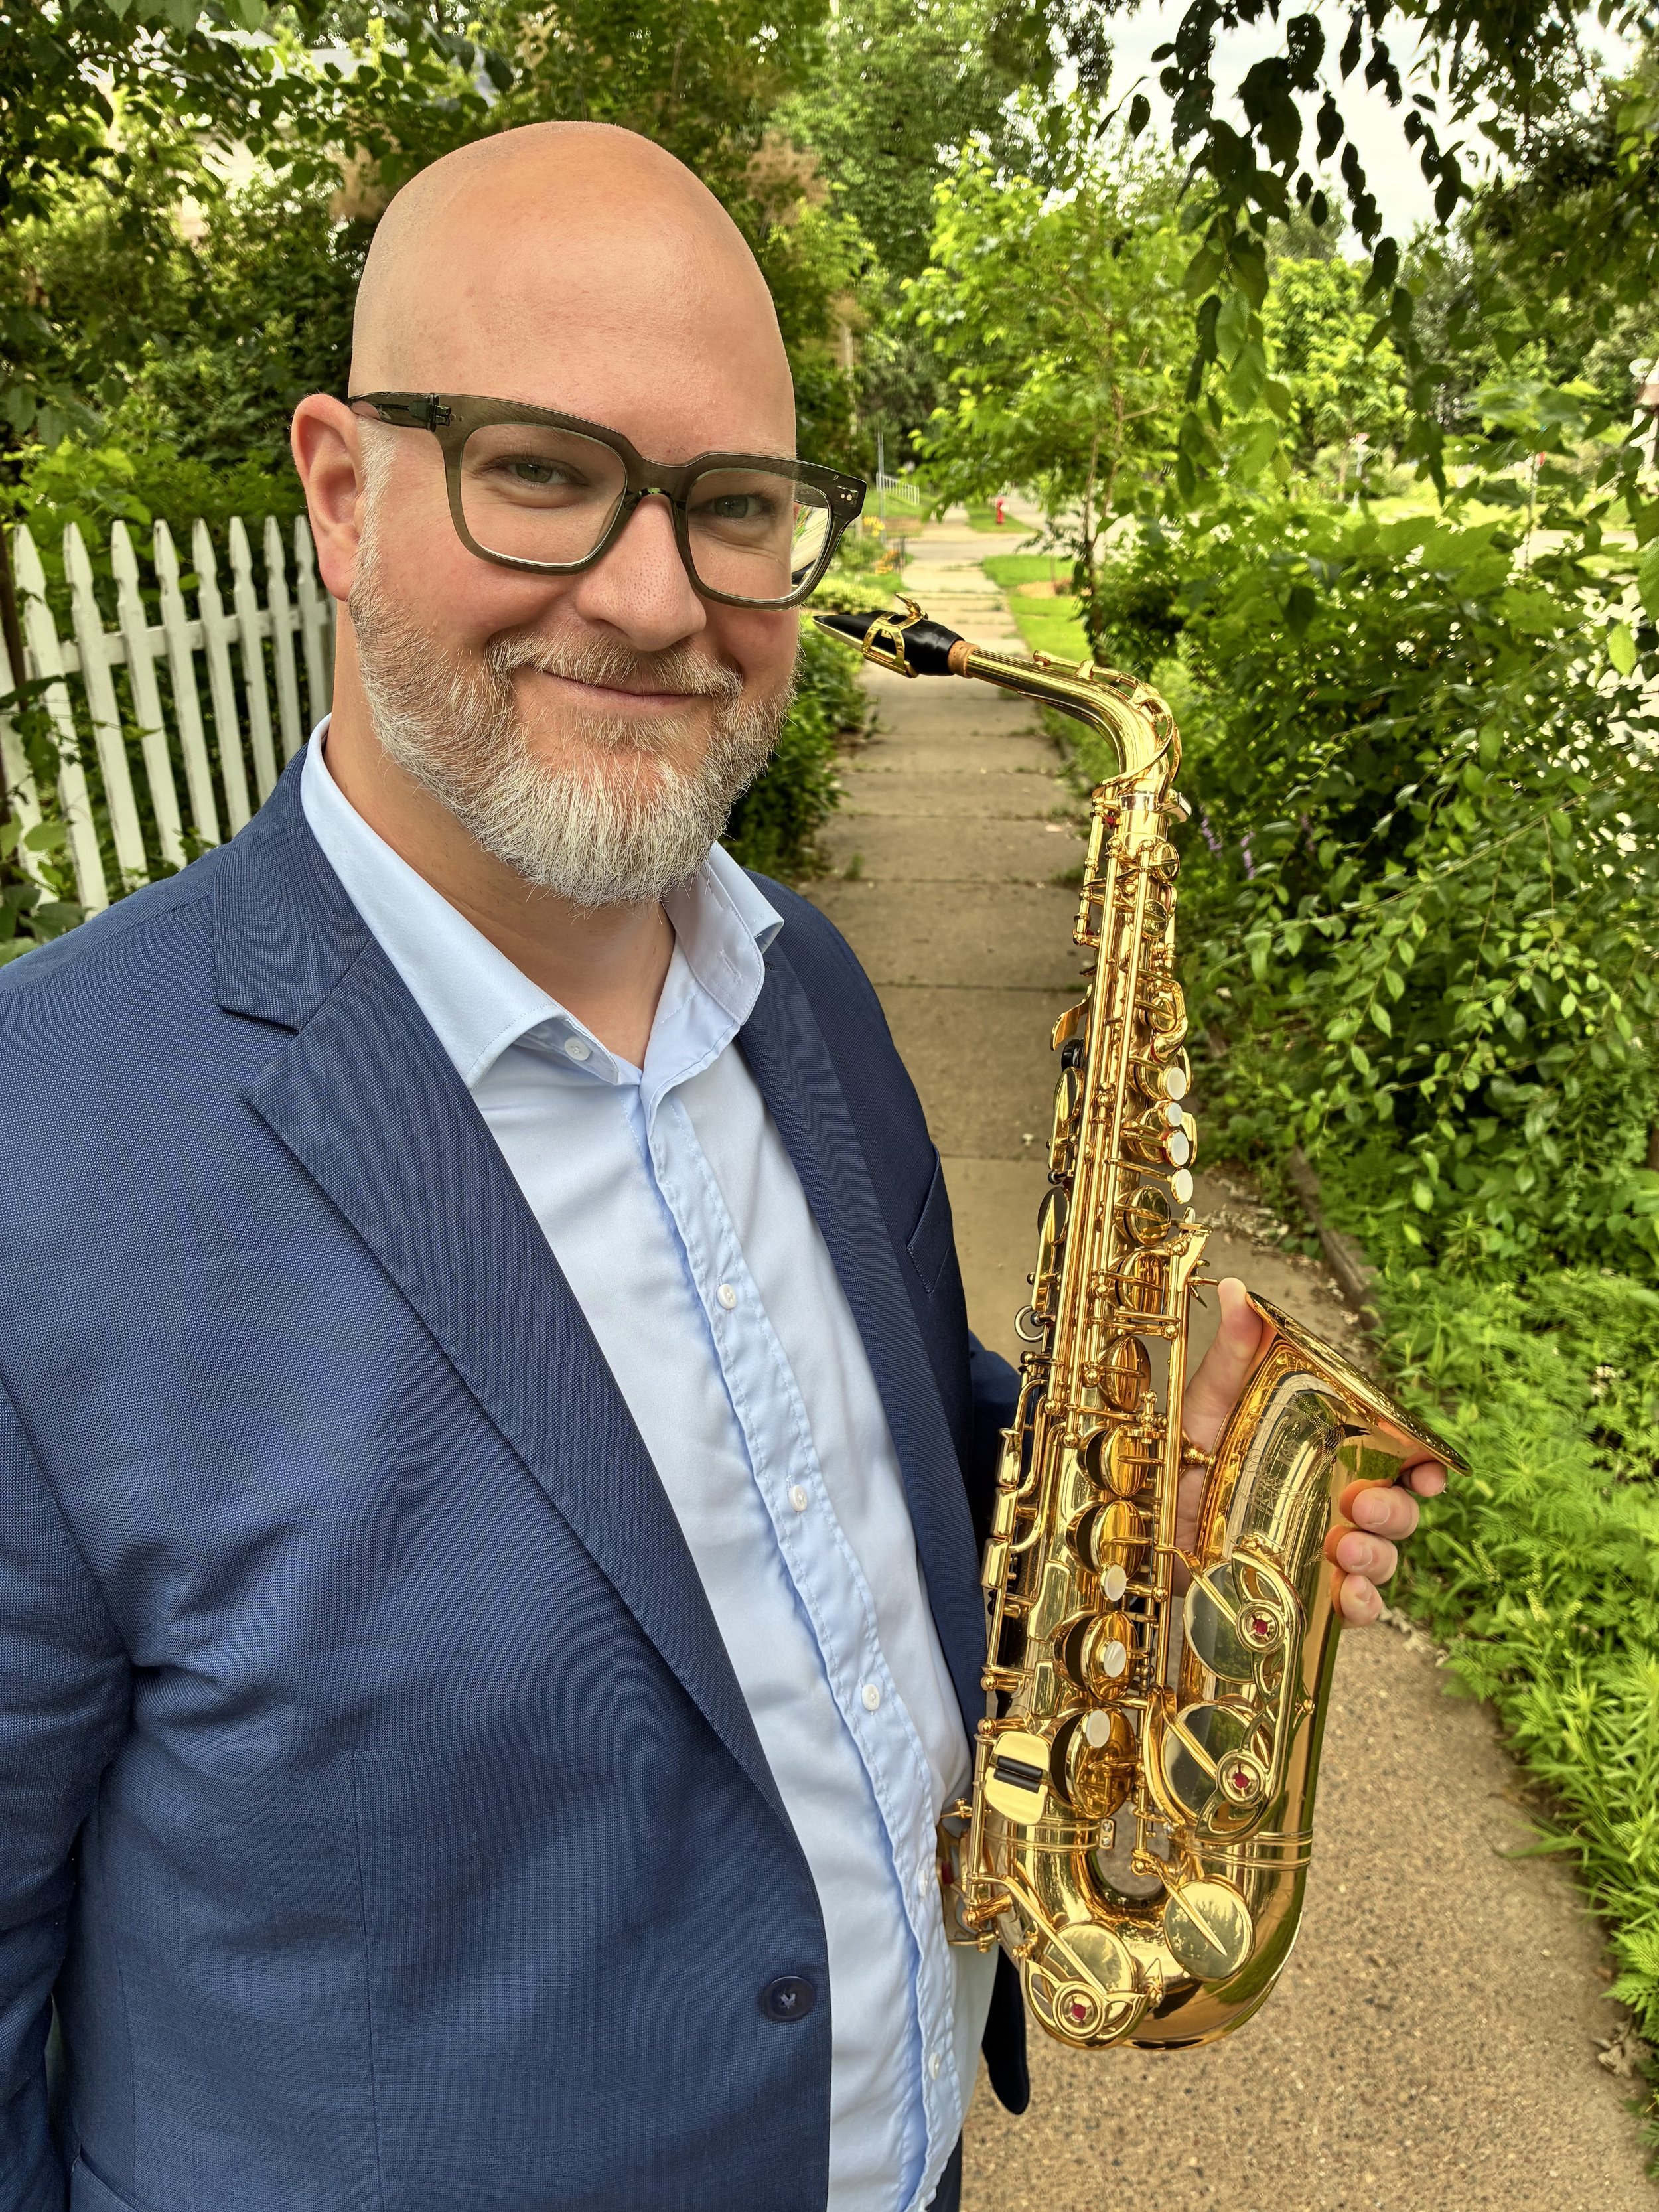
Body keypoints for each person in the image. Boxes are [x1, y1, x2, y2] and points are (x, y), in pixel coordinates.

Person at [0, 123, 1443, 2212]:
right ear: (340, 486)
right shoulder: (44, 1148)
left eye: (736, 504)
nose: (659, 594)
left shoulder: (808, 991)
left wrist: (1147, 1492)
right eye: (541, 469)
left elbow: (858, 1450)